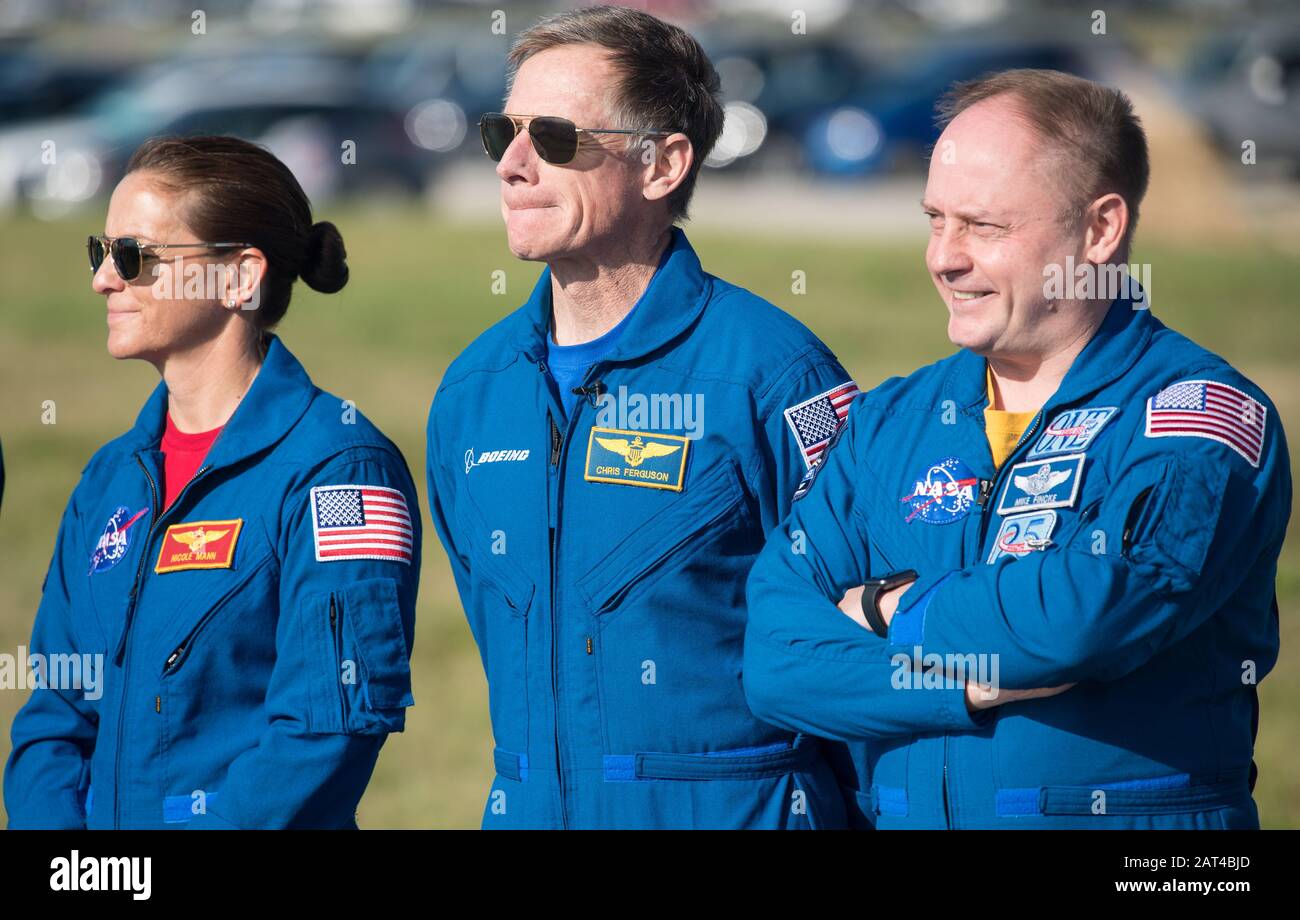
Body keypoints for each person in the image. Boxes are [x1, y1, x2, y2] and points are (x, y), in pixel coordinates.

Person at [744, 69, 1290, 829]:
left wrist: (888, 611)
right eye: (934, 219)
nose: (944, 257)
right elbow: (775, 659)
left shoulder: (1194, 417)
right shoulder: (893, 419)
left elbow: (1082, 617)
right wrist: (962, 687)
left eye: (984, 226)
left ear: (1099, 229)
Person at [427, 5, 858, 828]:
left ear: (661, 164)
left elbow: (859, 657)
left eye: (551, 136)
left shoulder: (773, 376)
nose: (512, 165)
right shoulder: (473, 393)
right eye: (500, 133)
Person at [4, 135, 420, 829]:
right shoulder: (111, 477)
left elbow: (322, 733)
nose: (104, 280)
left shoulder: (340, 469)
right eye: (98, 253)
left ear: (238, 277)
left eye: (133, 257)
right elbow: (56, 714)